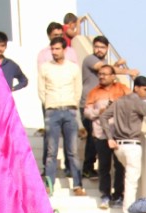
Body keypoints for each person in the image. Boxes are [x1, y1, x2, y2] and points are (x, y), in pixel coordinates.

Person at [102, 75, 146, 213]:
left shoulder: (119, 101)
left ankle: (126, 211)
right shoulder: (137, 102)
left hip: (119, 146)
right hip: (132, 145)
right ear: (136, 87)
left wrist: (110, 137)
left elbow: (103, 116)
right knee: (131, 183)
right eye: (145, 90)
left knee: (125, 178)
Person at [36, 37, 84, 196]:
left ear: (64, 49)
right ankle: (49, 184)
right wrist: (50, 104)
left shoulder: (73, 68)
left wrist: (72, 105)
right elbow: (41, 90)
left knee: (73, 151)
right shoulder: (45, 68)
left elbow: (78, 89)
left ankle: (77, 185)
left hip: (69, 110)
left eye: (57, 49)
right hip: (52, 110)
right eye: (53, 49)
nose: (55, 52)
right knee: (51, 151)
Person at [83, 64, 129, 209]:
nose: (101, 76)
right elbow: (87, 112)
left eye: (105, 74)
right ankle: (105, 195)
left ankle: (118, 195)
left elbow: (132, 104)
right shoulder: (94, 92)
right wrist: (99, 112)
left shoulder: (122, 89)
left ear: (113, 76)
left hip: (119, 133)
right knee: (104, 166)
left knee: (120, 167)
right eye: (100, 74)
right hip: (101, 134)